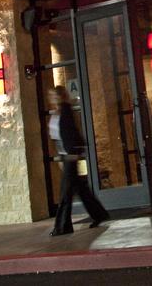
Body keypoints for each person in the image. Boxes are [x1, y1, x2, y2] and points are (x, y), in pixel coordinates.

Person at [47, 85, 109, 235]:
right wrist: (60, 157)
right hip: (65, 156)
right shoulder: (57, 112)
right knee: (81, 189)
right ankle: (99, 214)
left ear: (60, 96)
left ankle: (63, 227)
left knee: (65, 192)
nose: (52, 98)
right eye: (51, 96)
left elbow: (71, 133)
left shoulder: (66, 110)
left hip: (70, 155)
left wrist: (72, 154)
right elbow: (57, 138)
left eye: (54, 95)